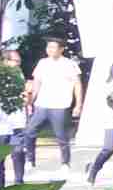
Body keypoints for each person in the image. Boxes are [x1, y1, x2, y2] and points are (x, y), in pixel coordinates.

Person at [24, 38, 82, 174]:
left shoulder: (69, 64)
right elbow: (37, 82)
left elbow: (77, 85)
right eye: (48, 47)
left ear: (61, 49)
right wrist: (31, 100)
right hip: (42, 104)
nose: (50, 50)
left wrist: (78, 105)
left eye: (53, 47)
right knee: (29, 132)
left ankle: (65, 163)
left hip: (60, 104)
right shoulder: (42, 63)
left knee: (61, 135)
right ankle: (30, 160)